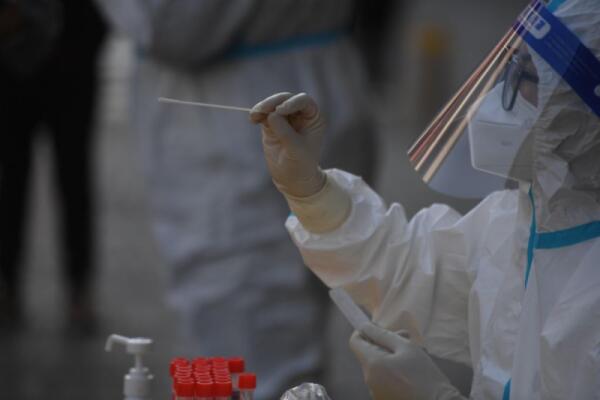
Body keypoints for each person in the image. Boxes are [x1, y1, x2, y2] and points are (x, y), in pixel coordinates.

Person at [250, 0, 600, 398]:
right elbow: (407, 270)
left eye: (530, 77)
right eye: (510, 64)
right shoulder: (530, 220)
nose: (504, 90)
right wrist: (312, 191)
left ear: (585, 110)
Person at [95, 1, 396, 398]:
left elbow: (170, 22)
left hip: (235, 128)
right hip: (306, 84)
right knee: (278, 341)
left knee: (251, 355)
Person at [0, 0, 106, 333]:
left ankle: (78, 287)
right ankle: (9, 285)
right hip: (12, 64)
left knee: (73, 178)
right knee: (11, 179)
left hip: (71, 57)